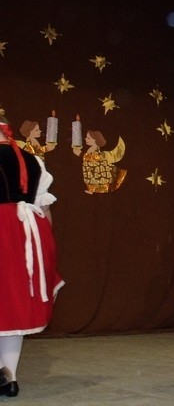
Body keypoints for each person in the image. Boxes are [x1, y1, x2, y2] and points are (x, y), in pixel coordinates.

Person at [0, 110, 64, 397]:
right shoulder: (33, 160)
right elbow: (44, 209)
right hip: (25, 236)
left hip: (7, 234)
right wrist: (46, 251)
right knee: (12, 308)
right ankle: (10, 377)